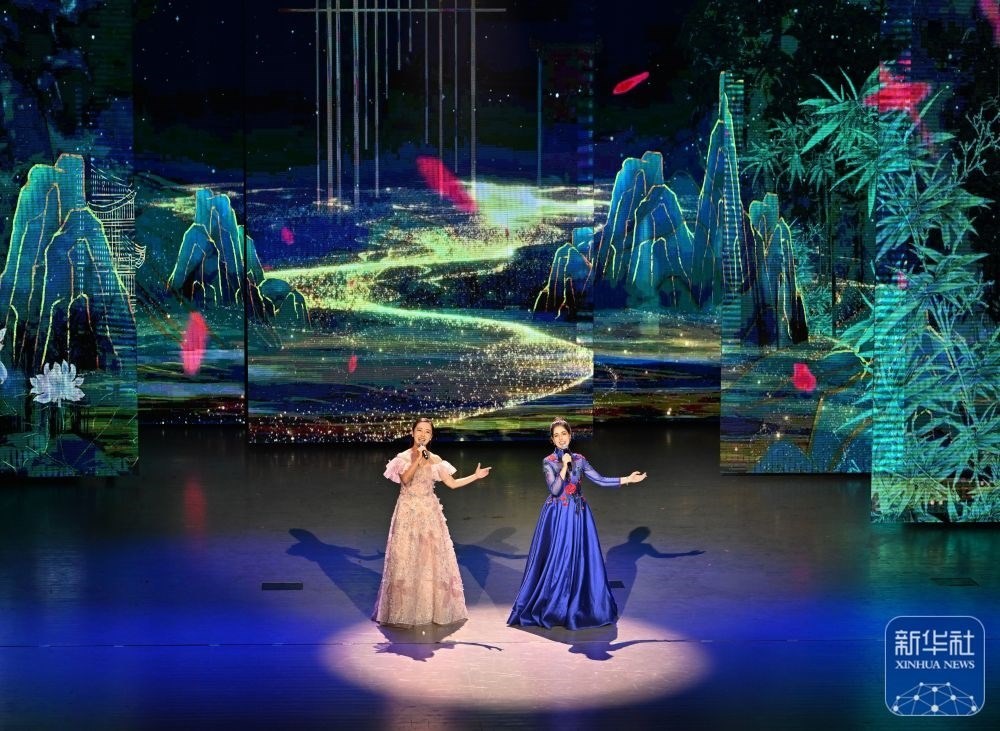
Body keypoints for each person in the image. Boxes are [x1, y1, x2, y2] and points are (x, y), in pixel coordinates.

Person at [508, 417, 646, 629]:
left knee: (579, 557)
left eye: (564, 434)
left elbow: (599, 480)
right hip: (557, 516)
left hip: (578, 514)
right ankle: (554, 607)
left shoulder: (580, 459)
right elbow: (555, 490)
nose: (561, 438)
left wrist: (627, 479)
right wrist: (564, 467)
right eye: (556, 435)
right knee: (559, 558)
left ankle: (579, 604)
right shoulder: (548, 461)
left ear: (570, 435)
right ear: (552, 440)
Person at [373, 417, 491, 627]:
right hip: (408, 513)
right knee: (406, 557)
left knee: (429, 560)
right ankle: (403, 611)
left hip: (430, 514)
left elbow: (452, 483)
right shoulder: (402, 458)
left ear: (431, 436)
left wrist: (475, 476)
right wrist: (418, 460)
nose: (423, 435)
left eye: (427, 432)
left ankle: (429, 609)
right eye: (419, 430)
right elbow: (405, 480)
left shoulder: (435, 459)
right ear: (412, 433)